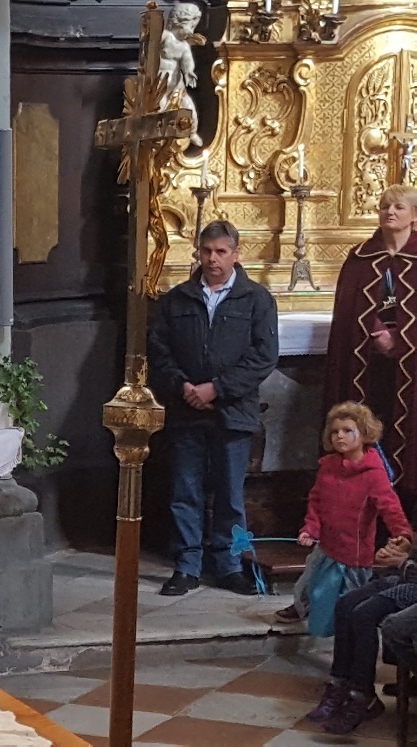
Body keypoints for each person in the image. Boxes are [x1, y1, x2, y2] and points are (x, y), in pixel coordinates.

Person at [149, 219, 279, 596]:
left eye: (221, 252)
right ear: (197, 253)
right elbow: (159, 352)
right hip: (186, 410)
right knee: (185, 492)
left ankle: (230, 564)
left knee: (231, 496)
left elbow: (263, 356)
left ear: (236, 254)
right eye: (206, 251)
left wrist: (217, 389)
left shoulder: (256, 299)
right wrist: (183, 387)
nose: (213, 259)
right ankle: (187, 565)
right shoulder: (178, 300)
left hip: (233, 412)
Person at [274, 402, 411, 633]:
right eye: (335, 431)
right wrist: (310, 529)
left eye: (347, 430)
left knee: (349, 596)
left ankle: (347, 633)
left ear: (364, 433)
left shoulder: (374, 474)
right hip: (327, 544)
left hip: (353, 552)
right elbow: (316, 500)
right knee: (309, 579)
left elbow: (391, 507)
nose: (340, 436)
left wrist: (402, 533)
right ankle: (301, 607)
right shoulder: (328, 467)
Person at [325, 184, 417, 516]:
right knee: (366, 427)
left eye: (398, 207)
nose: (390, 212)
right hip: (365, 366)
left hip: (411, 370)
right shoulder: (360, 258)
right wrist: (374, 331)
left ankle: (405, 515)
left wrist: (401, 339)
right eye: (384, 206)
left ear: (414, 215)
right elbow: (347, 313)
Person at [306, 537, 417, 734]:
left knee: (364, 614)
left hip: (413, 583)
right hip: (405, 575)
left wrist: (403, 562)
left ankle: (363, 694)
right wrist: (403, 549)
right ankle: (340, 684)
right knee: (345, 604)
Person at [159, 2, 205, 147]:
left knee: (188, 107)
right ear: (177, 22)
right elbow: (151, 45)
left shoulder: (184, 46)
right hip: (159, 83)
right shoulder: (166, 37)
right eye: (190, 26)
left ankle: (192, 131)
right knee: (159, 107)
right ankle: (159, 134)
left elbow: (187, 62)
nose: (191, 31)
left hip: (176, 85)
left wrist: (189, 72)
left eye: (193, 27)